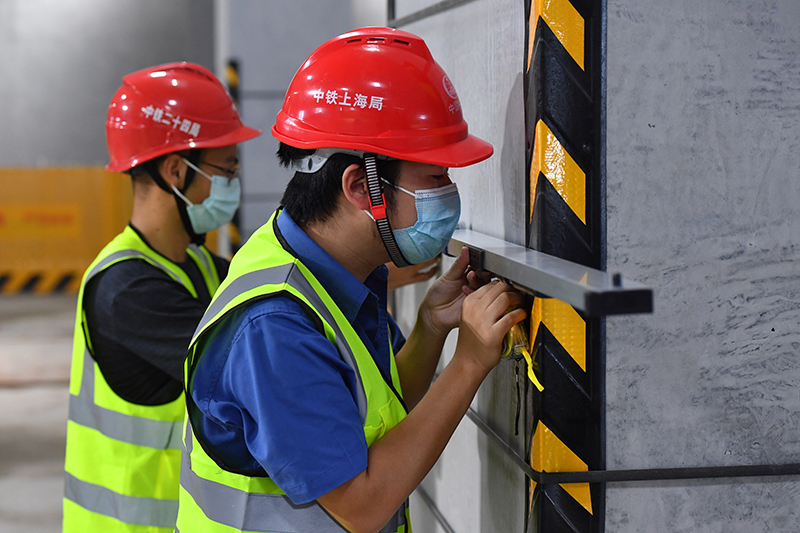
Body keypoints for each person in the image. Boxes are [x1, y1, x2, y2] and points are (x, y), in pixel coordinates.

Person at [177, 28, 525, 533]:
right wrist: (468, 364)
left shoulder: (316, 265)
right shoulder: (274, 326)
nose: (449, 193)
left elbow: (364, 420)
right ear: (362, 187)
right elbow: (360, 504)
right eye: (435, 178)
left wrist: (431, 328)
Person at [62, 62, 261, 532]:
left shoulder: (200, 268)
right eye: (227, 168)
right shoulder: (128, 291)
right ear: (176, 171)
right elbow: (256, 364)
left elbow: (272, 296)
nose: (234, 182)